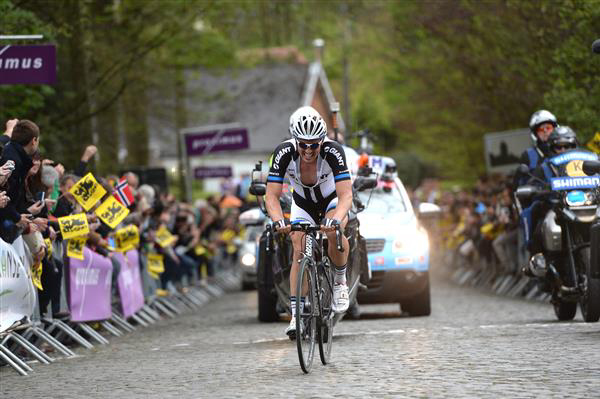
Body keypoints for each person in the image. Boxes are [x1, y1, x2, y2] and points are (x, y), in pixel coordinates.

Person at [265, 106, 353, 338]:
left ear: (321, 141)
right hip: (302, 203)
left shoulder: (334, 152)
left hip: (330, 200)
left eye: (314, 144)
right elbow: (271, 196)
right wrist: (276, 221)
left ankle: (339, 282)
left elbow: (346, 195)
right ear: (295, 140)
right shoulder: (283, 153)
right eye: (303, 144)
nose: (308, 149)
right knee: (299, 247)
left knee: (336, 232)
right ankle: (296, 314)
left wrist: (335, 220)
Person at [527, 126, 579, 259]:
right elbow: (532, 184)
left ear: (575, 146)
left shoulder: (587, 164)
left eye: (568, 146)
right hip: (557, 208)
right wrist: (536, 190)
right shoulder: (545, 167)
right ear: (551, 149)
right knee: (540, 229)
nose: (563, 150)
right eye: (559, 147)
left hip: (584, 205)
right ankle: (539, 265)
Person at [0, 120, 41, 242]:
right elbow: (5, 196)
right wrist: (17, 218)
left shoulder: (15, 154)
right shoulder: (13, 160)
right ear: (34, 141)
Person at [513, 110, 558, 188]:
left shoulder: (564, 148)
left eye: (548, 127)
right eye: (541, 129)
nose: (545, 131)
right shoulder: (528, 155)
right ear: (535, 133)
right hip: (542, 198)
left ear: (555, 128)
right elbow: (519, 185)